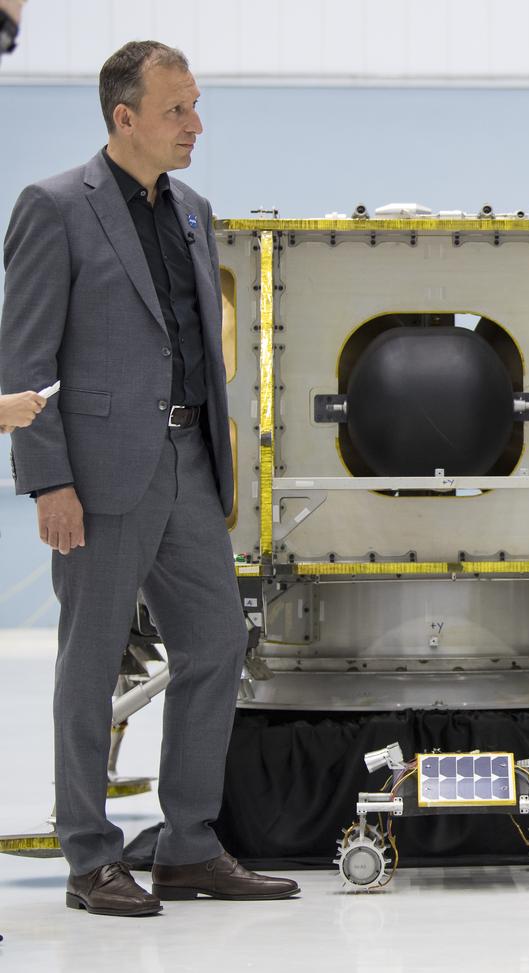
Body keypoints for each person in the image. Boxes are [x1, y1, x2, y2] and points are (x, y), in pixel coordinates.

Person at [0, 40, 298, 917]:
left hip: (188, 465)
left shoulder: (194, 211)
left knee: (217, 643)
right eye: (177, 109)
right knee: (91, 663)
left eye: (195, 105)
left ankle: (188, 845)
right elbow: (24, 360)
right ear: (123, 117)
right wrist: (49, 481)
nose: (195, 124)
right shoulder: (55, 207)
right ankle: (89, 857)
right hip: (97, 479)